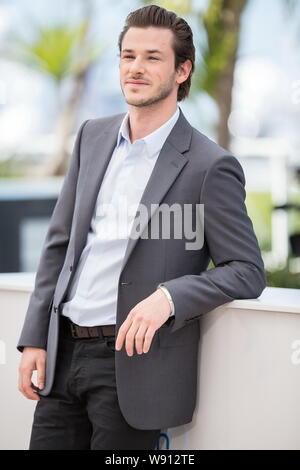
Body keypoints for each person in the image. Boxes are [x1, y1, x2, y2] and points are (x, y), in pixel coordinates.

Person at [17, 4, 266, 450]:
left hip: (134, 367)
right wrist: (35, 337)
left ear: (182, 70)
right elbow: (60, 246)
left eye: (153, 57)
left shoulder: (210, 165)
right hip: (62, 358)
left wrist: (169, 298)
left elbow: (246, 268)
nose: (136, 68)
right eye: (128, 55)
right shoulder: (92, 136)